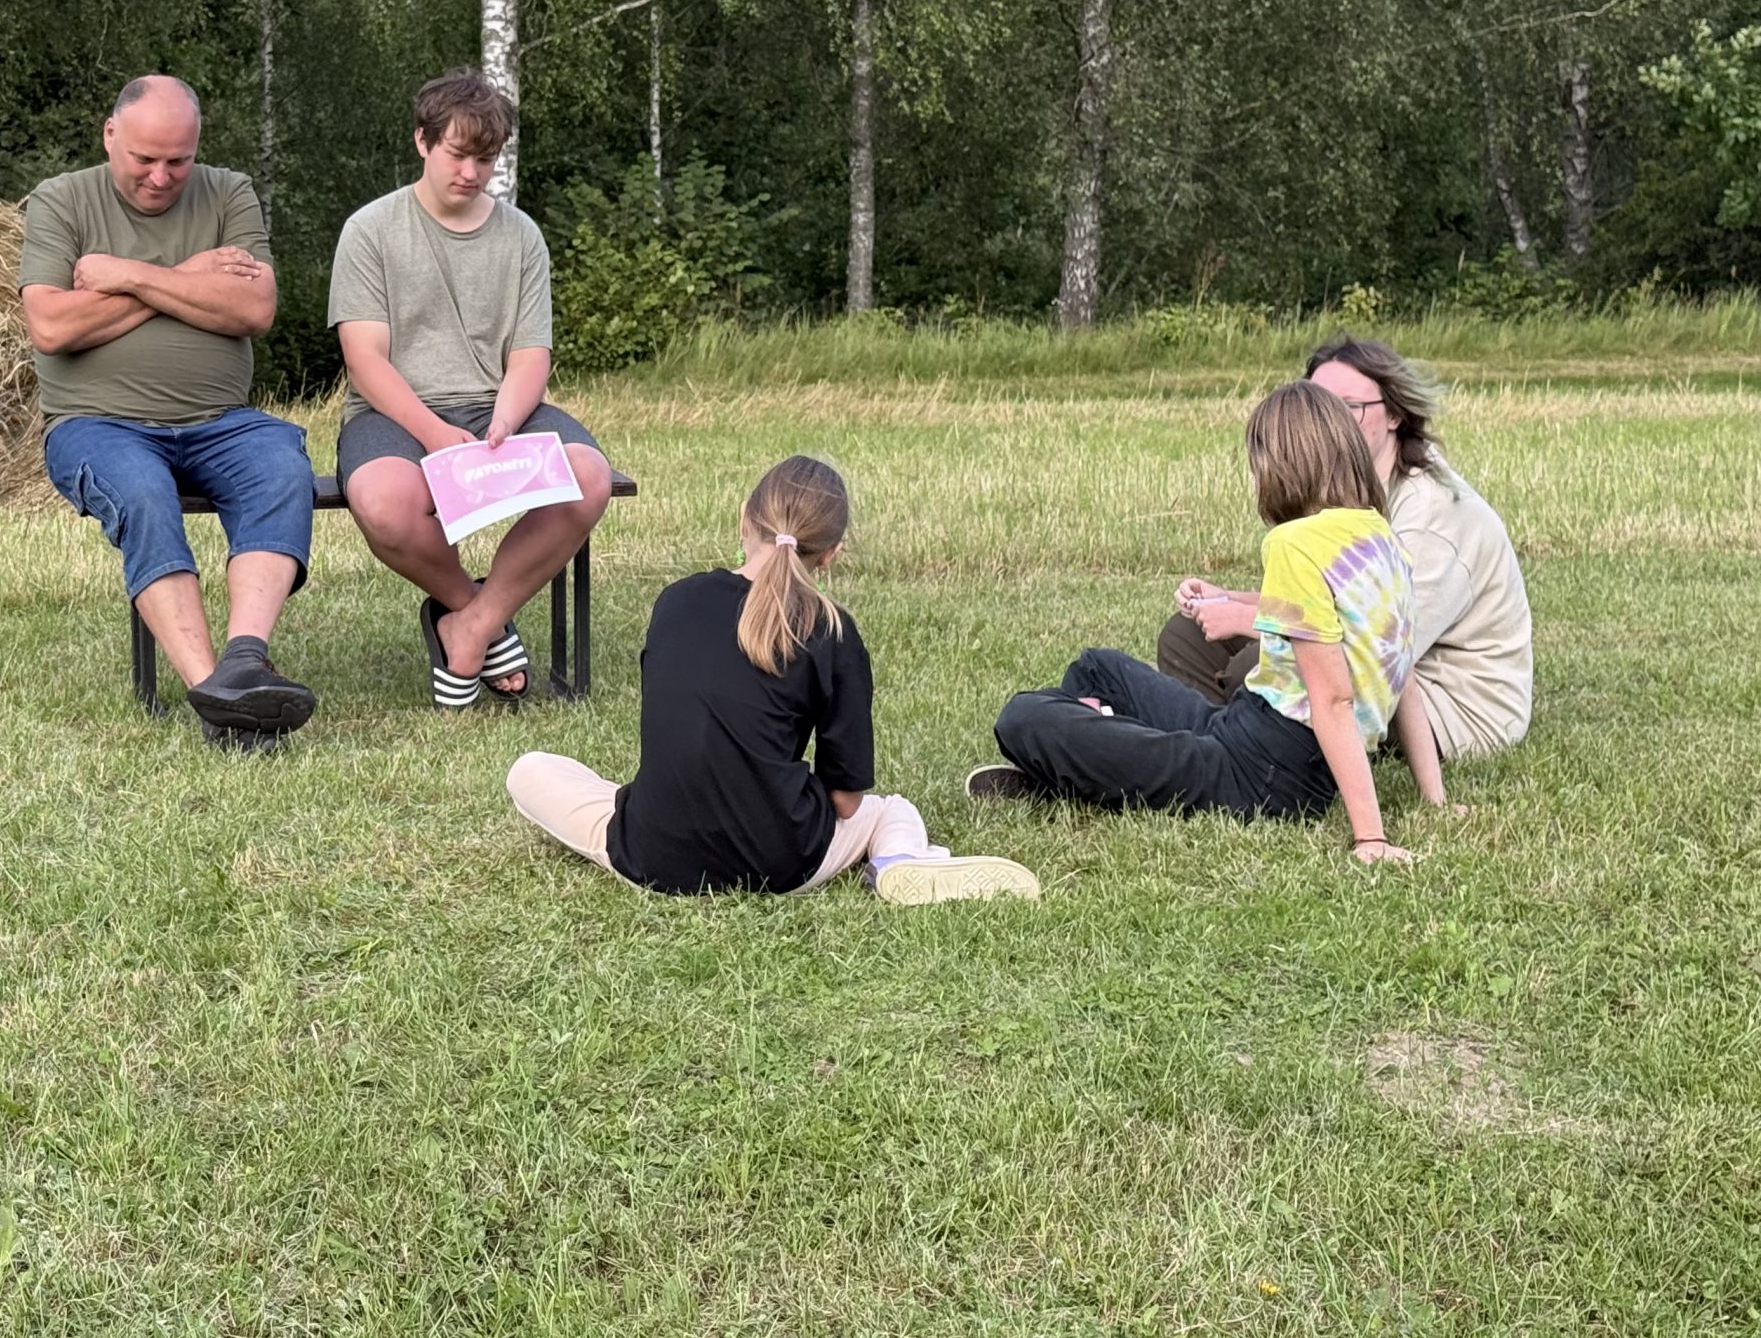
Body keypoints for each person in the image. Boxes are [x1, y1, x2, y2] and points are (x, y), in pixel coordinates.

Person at [508, 456, 1039, 903]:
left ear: (745, 516)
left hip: (653, 855)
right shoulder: (832, 630)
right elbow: (847, 802)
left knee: (530, 770)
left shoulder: (677, 600)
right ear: (831, 553)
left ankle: (651, 812)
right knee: (889, 811)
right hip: (782, 863)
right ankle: (900, 860)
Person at [974, 381, 1453, 864]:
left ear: (1282, 464)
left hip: (1264, 774)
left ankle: (1078, 767)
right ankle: (1088, 759)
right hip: (1244, 728)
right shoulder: (1381, 539)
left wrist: (1371, 839)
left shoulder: (1294, 543)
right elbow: (1400, 674)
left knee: (1023, 717)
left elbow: (1333, 699)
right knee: (1098, 669)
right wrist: (1435, 799)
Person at [19, 75, 316, 748]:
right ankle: (217, 697)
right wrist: (192, 277)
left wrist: (129, 275)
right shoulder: (62, 200)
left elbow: (254, 309)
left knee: (282, 467)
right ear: (110, 135)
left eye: (178, 161)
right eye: (144, 159)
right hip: (97, 425)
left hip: (222, 421)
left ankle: (245, 660)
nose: (160, 177)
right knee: (144, 494)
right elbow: (53, 327)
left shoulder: (229, 192)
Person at [328, 70, 613, 710]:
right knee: (383, 502)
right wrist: (435, 434)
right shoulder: (370, 230)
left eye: (485, 160)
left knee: (588, 476)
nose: (471, 173)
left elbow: (530, 355)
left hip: (498, 406)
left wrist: (505, 421)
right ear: (422, 142)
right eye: (457, 155)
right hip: (392, 413)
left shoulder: (522, 235)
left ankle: (474, 625)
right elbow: (364, 361)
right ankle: (473, 609)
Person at [1159, 334, 1533, 763]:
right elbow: (1327, 606)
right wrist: (1227, 600)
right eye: (1321, 407)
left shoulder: (1432, 516)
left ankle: (1250, 759)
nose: (1331, 421)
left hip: (1452, 707)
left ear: (1394, 415)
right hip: (1374, 663)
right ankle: (1222, 749)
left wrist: (1246, 618)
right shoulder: (1349, 493)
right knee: (1186, 636)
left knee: (1259, 666)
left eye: (1349, 407)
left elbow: (1376, 641)